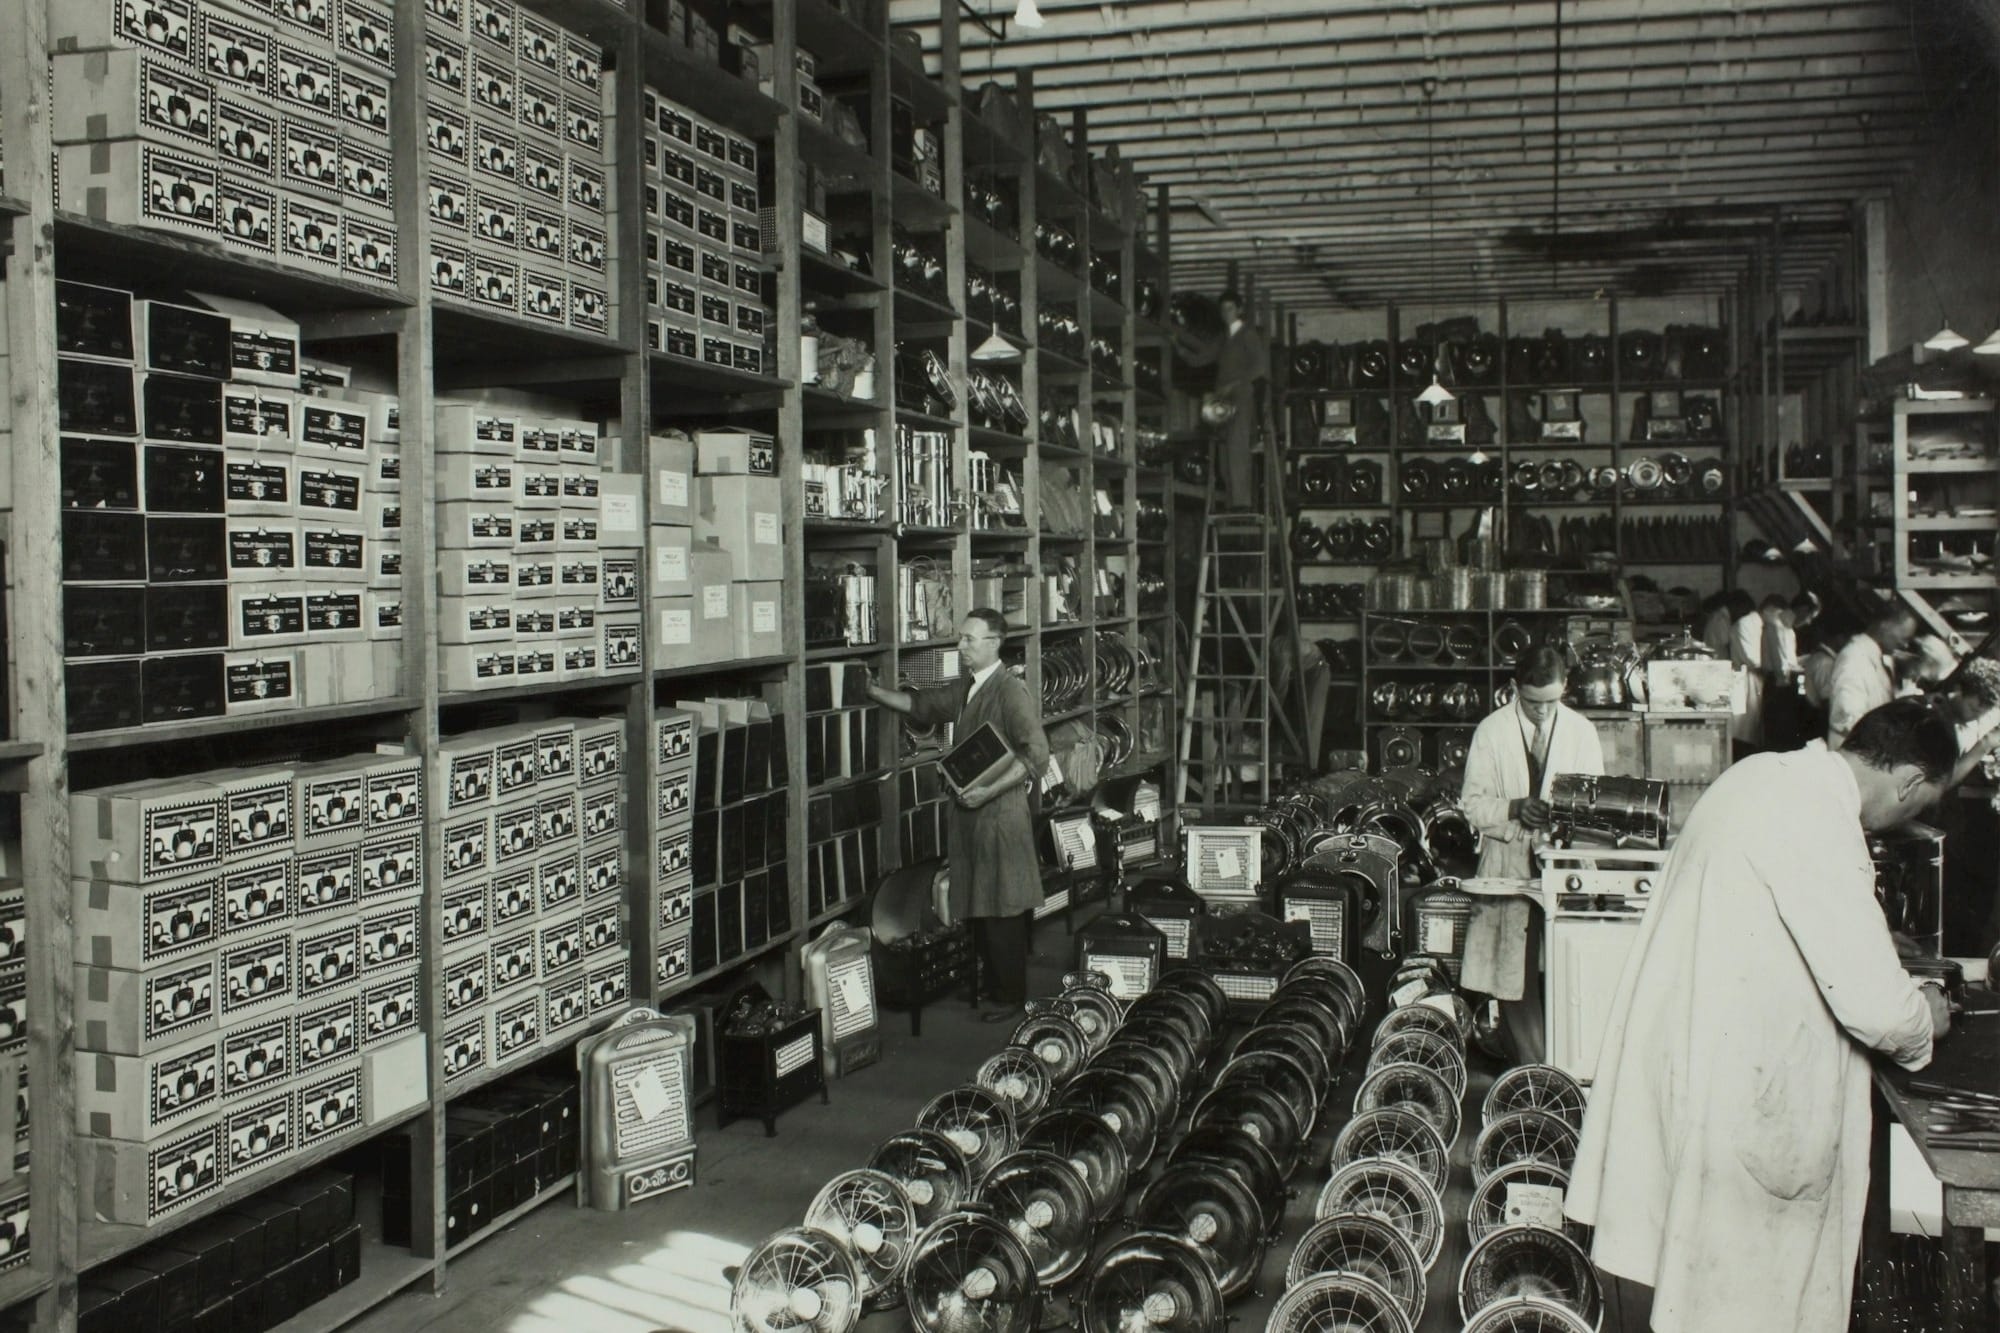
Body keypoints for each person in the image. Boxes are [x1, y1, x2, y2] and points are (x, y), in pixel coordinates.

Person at [1566, 699, 1957, 1333]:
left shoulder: (1761, 775)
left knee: (1703, 1289)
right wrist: (1927, 1016)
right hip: (1747, 1103)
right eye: (1917, 805)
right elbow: (1880, 1010)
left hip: (1701, 1070)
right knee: (1749, 1301)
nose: (1904, 819)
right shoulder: (1819, 818)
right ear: (1910, 782)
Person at [864, 608, 1050, 1021]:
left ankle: (1010, 996)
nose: (961, 645)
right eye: (961, 637)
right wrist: (874, 692)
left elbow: (1036, 754)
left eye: (969, 638)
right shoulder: (969, 685)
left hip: (1000, 816)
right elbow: (921, 705)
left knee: (1002, 907)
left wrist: (988, 790)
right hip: (972, 817)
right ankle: (996, 983)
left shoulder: (1009, 692)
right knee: (982, 902)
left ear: (994, 643)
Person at [1460, 646, 1606, 880]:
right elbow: (1472, 806)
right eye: (1532, 702)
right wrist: (1513, 808)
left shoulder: (1582, 732)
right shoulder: (1491, 730)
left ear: (1564, 685)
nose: (1542, 711)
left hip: (1566, 865)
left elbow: (1596, 806)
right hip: (1505, 866)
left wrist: (1560, 815)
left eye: (1551, 701)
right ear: (1514, 687)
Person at [1174, 289, 1270, 509]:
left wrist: (1235, 384)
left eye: (1230, 308)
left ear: (1239, 310)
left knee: (1238, 448)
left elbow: (1259, 367)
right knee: (1224, 450)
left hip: (1240, 397)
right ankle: (1230, 503)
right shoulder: (1223, 338)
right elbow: (1201, 358)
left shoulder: (1247, 334)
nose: (1226, 313)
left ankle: (1242, 504)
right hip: (1221, 401)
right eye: (1223, 309)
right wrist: (1178, 346)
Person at [1826, 602, 1919, 748]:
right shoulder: (1854, 658)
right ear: (1885, 625)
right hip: (1854, 750)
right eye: (1904, 638)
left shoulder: (1880, 658)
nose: (1905, 645)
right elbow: (1848, 718)